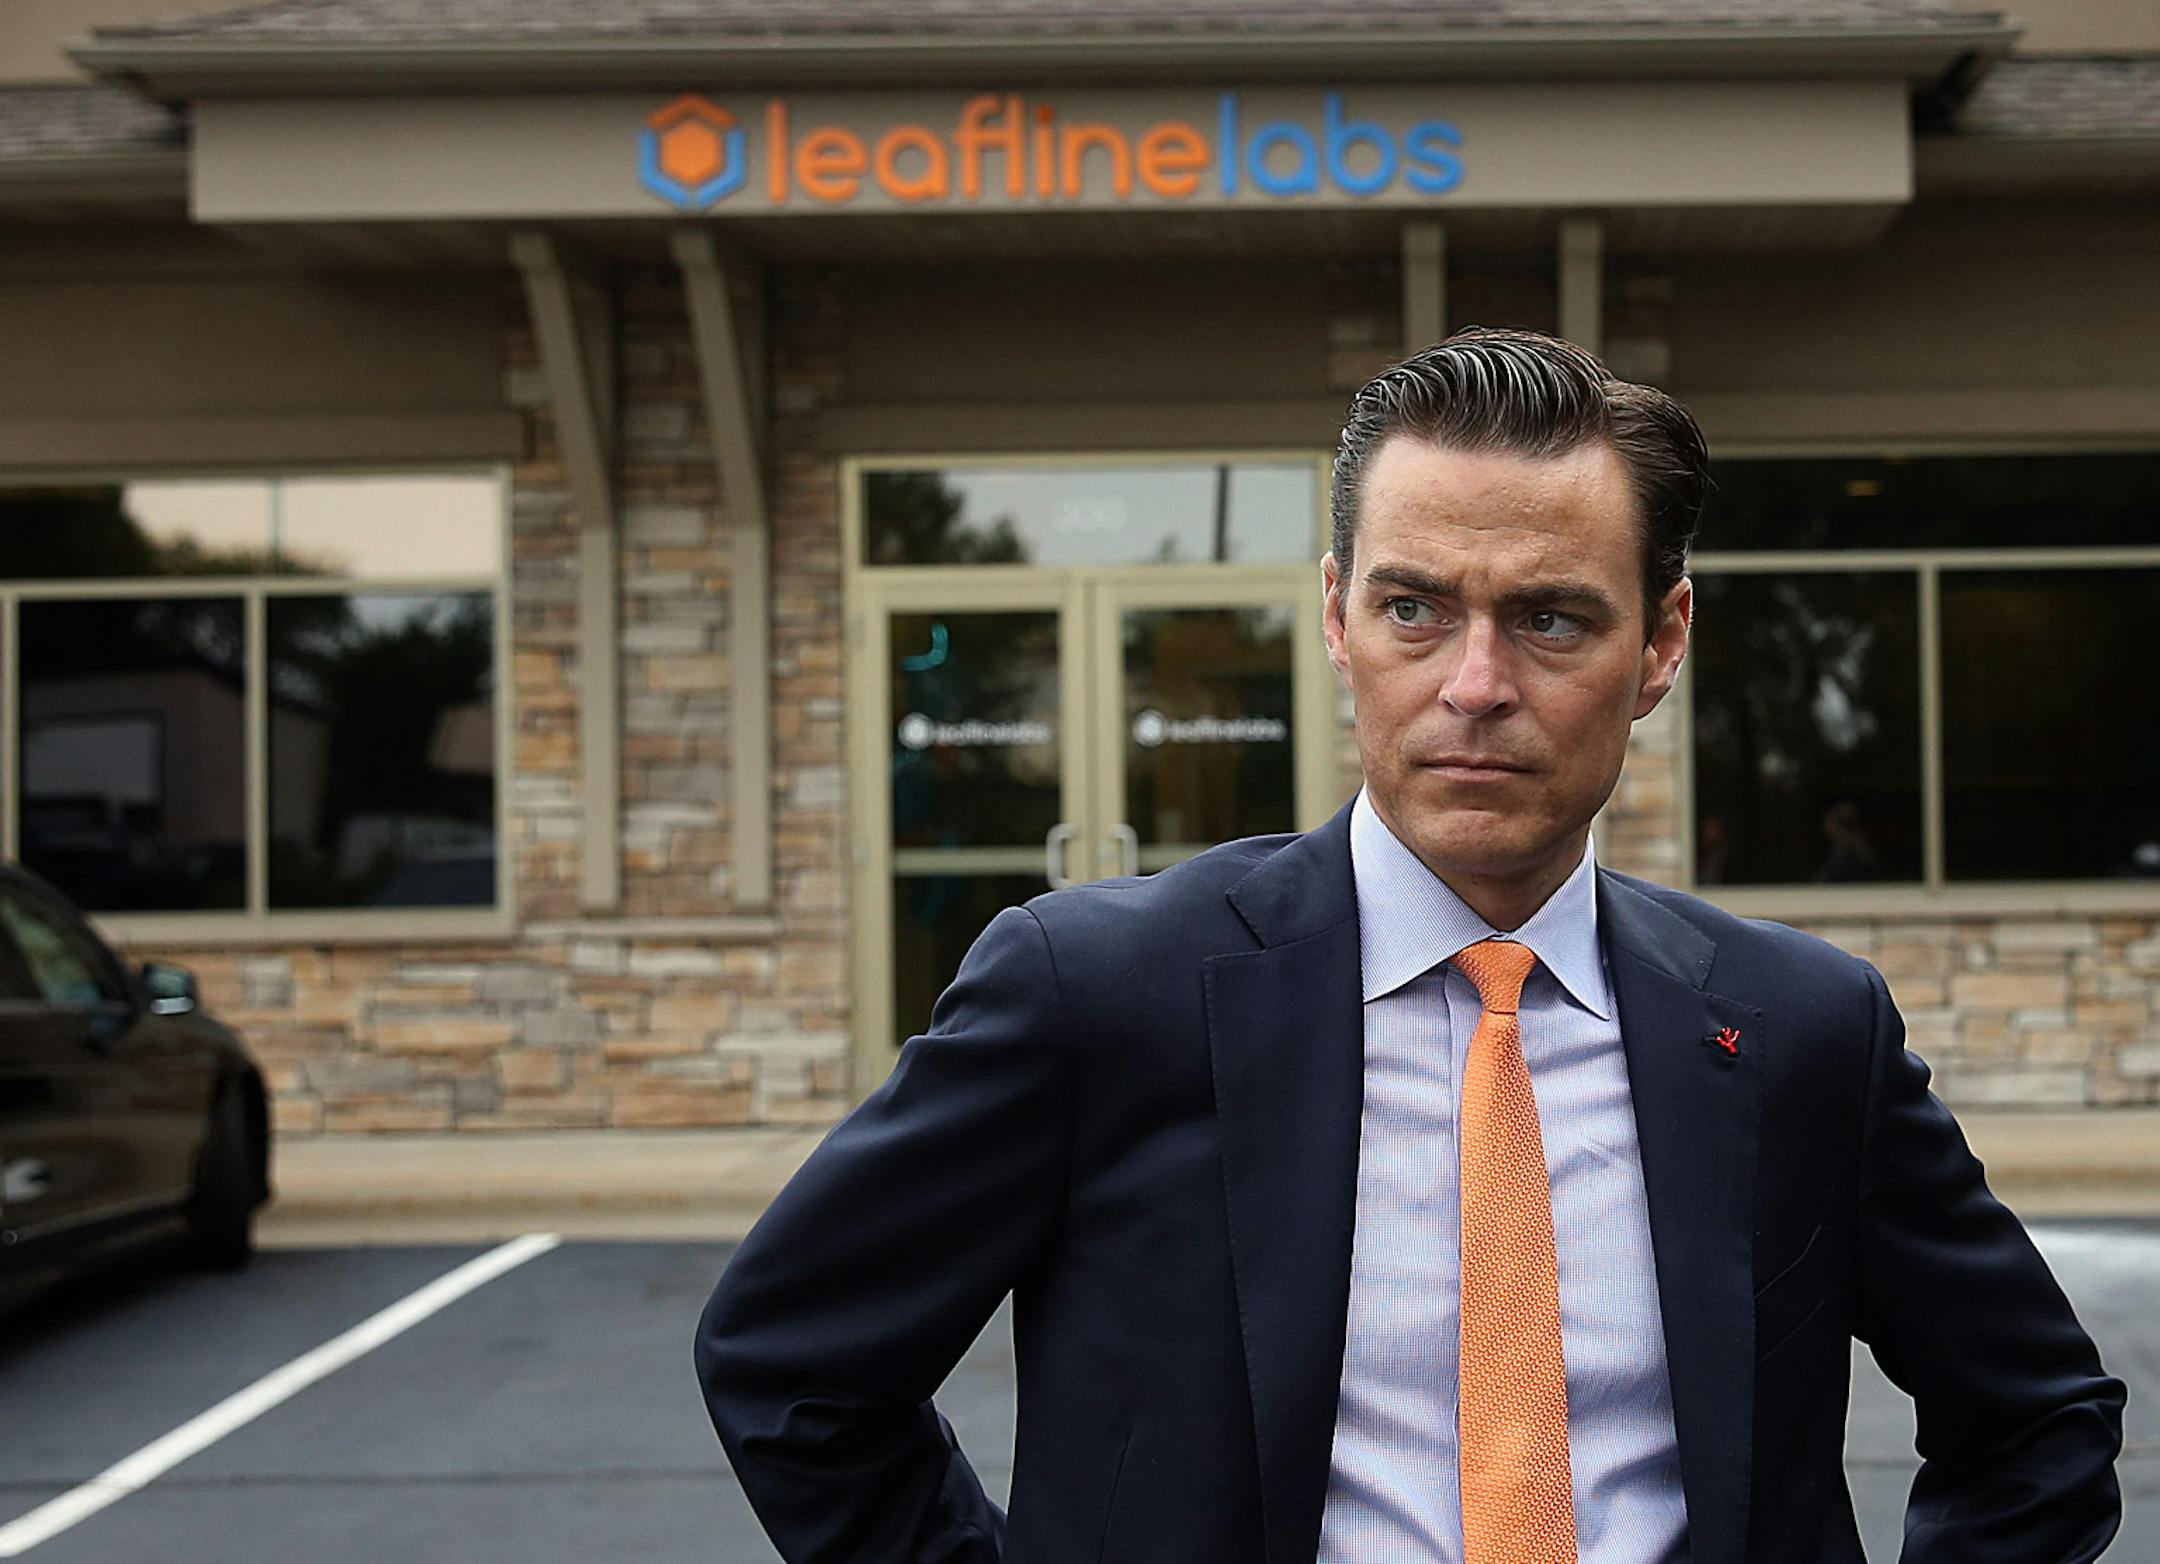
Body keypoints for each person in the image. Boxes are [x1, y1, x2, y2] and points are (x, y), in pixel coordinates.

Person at [695, 327, 2125, 1563]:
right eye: (1414, 609)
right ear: (1338, 616)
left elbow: (2037, 1418)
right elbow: (796, 1361)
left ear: (1662, 643)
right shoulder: (1100, 994)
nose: (1475, 685)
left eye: (1551, 618)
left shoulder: (1803, 1028)